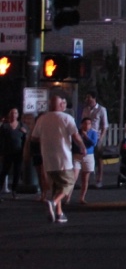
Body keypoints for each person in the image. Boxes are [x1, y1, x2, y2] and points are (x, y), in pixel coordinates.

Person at [30, 93, 85, 224]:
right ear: (60, 105)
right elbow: (76, 135)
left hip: (48, 160)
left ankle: (59, 213)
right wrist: (82, 146)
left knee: (55, 187)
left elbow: (34, 137)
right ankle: (53, 203)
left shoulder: (42, 119)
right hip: (63, 159)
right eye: (63, 103)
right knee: (68, 183)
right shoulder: (67, 118)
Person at [82, 92, 109, 188]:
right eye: (87, 98)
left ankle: (99, 179)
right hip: (86, 136)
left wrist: (101, 138)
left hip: (96, 136)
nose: (87, 100)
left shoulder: (101, 109)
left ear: (94, 98)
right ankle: (88, 179)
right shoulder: (85, 109)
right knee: (87, 157)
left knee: (99, 158)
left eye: (89, 97)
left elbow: (105, 125)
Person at [0, 108, 28, 198]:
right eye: (12, 113)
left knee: (17, 172)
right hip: (7, 152)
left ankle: (14, 191)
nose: (13, 115)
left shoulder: (22, 126)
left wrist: (26, 133)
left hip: (18, 153)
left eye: (15, 113)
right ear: (9, 115)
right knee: (4, 172)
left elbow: (26, 140)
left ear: (17, 115)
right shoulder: (5, 126)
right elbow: (1, 140)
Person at [74, 117, 99, 205]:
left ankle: (82, 197)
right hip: (77, 156)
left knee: (85, 179)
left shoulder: (93, 133)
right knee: (74, 177)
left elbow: (94, 143)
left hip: (88, 156)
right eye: (85, 123)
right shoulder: (77, 132)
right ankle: (67, 197)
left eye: (89, 124)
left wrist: (86, 136)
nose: (87, 125)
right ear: (82, 124)